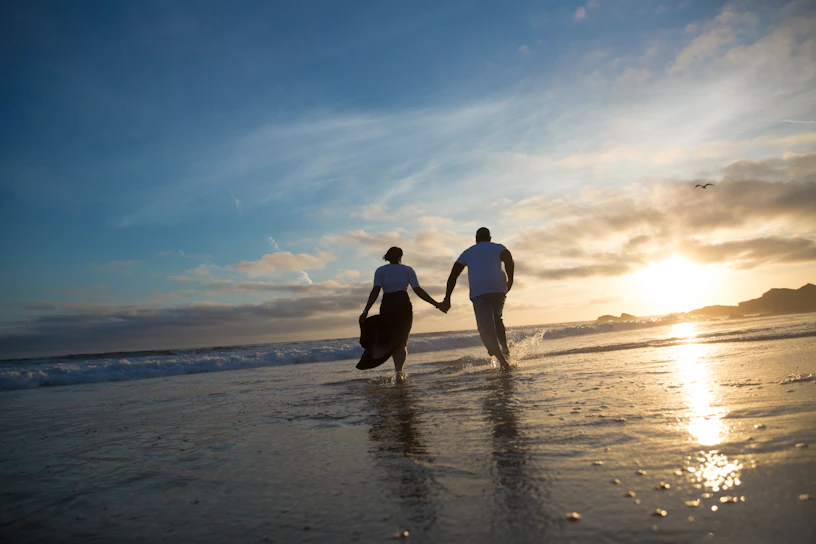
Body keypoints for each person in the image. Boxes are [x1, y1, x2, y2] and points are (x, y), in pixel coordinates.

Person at [359, 247, 444, 379]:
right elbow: (418, 290)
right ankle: (399, 372)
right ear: (401, 256)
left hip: (388, 304)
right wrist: (436, 304)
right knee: (401, 341)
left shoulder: (381, 270)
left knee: (393, 340)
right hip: (403, 305)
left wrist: (366, 311)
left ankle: (398, 372)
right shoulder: (407, 270)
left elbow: (375, 292)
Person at [439, 227, 514, 370]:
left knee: (486, 327)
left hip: (479, 292)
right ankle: (505, 349)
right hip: (498, 289)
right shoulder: (499, 248)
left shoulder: (467, 252)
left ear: (476, 239)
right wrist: (510, 280)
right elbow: (509, 260)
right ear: (490, 238)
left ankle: (502, 361)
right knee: (497, 318)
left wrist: (447, 298)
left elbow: (453, 275)